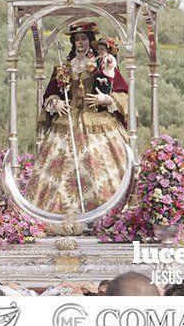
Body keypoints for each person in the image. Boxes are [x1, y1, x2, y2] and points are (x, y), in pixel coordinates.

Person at [26, 22, 130, 213]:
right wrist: (56, 102)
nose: (80, 42)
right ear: (73, 42)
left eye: (83, 39)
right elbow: (51, 93)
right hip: (67, 120)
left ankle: (105, 212)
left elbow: (122, 92)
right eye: (77, 39)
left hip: (97, 119)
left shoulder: (104, 63)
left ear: (90, 41)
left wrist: (106, 99)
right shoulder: (64, 67)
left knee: (100, 168)